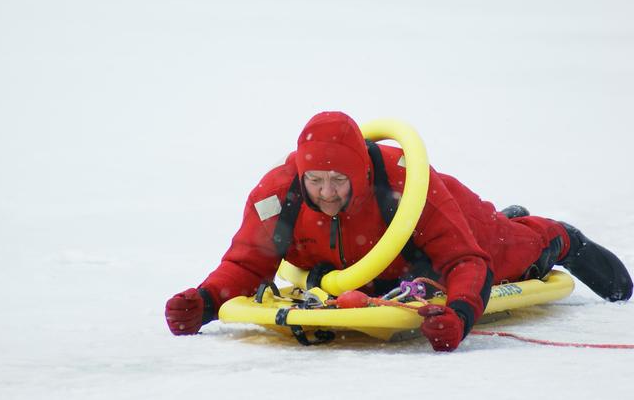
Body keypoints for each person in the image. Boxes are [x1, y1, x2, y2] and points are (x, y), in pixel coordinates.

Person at [165, 111, 632, 352]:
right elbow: (247, 261)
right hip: (373, 269)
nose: (326, 193)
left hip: (451, 226)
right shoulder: (278, 195)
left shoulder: (408, 185)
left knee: (506, 245)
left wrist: (461, 316)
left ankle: (553, 235)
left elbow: (467, 261)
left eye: (338, 181)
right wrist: (205, 302)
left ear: (360, 175)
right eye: (316, 181)